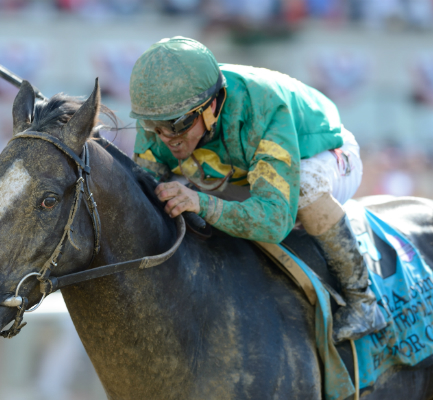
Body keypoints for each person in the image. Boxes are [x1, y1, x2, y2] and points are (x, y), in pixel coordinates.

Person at [129, 36, 385, 343]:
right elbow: (139, 197)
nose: (164, 137)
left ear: (211, 106)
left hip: (318, 152)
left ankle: (363, 299)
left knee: (305, 189)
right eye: (152, 125)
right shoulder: (162, 117)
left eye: (176, 125)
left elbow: (275, 220)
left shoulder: (262, 107)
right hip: (241, 170)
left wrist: (201, 203)